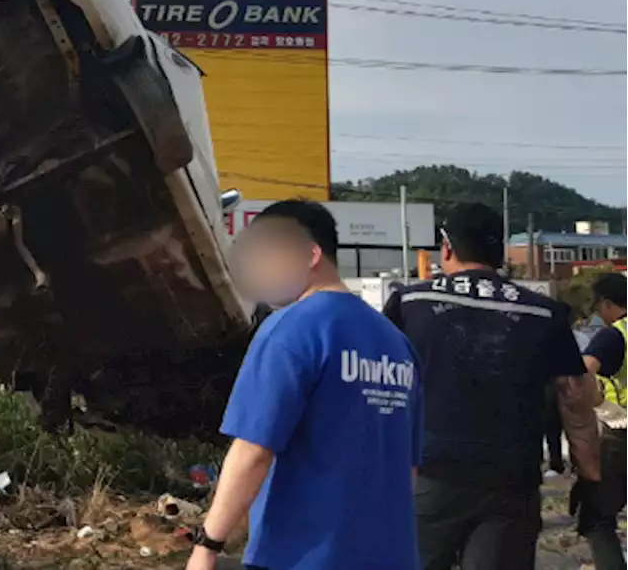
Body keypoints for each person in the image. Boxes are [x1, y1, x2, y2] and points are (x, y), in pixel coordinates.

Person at [187, 199, 422, 570]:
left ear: (311, 255)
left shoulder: (290, 330)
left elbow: (253, 450)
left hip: (300, 556)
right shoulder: (396, 343)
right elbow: (408, 469)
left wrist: (207, 545)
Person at [383, 202, 600, 570]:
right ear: (499, 253)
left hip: (428, 473)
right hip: (510, 479)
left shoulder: (409, 303)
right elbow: (574, 403)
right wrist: (591, 477)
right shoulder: (545, 313)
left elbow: (379, 388)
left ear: (446, 247)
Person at [574, 273, 628, 569]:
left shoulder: (614, 334)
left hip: (622, 436)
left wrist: (602, 405)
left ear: (607, 303)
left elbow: (580, 376)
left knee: (597, 518)